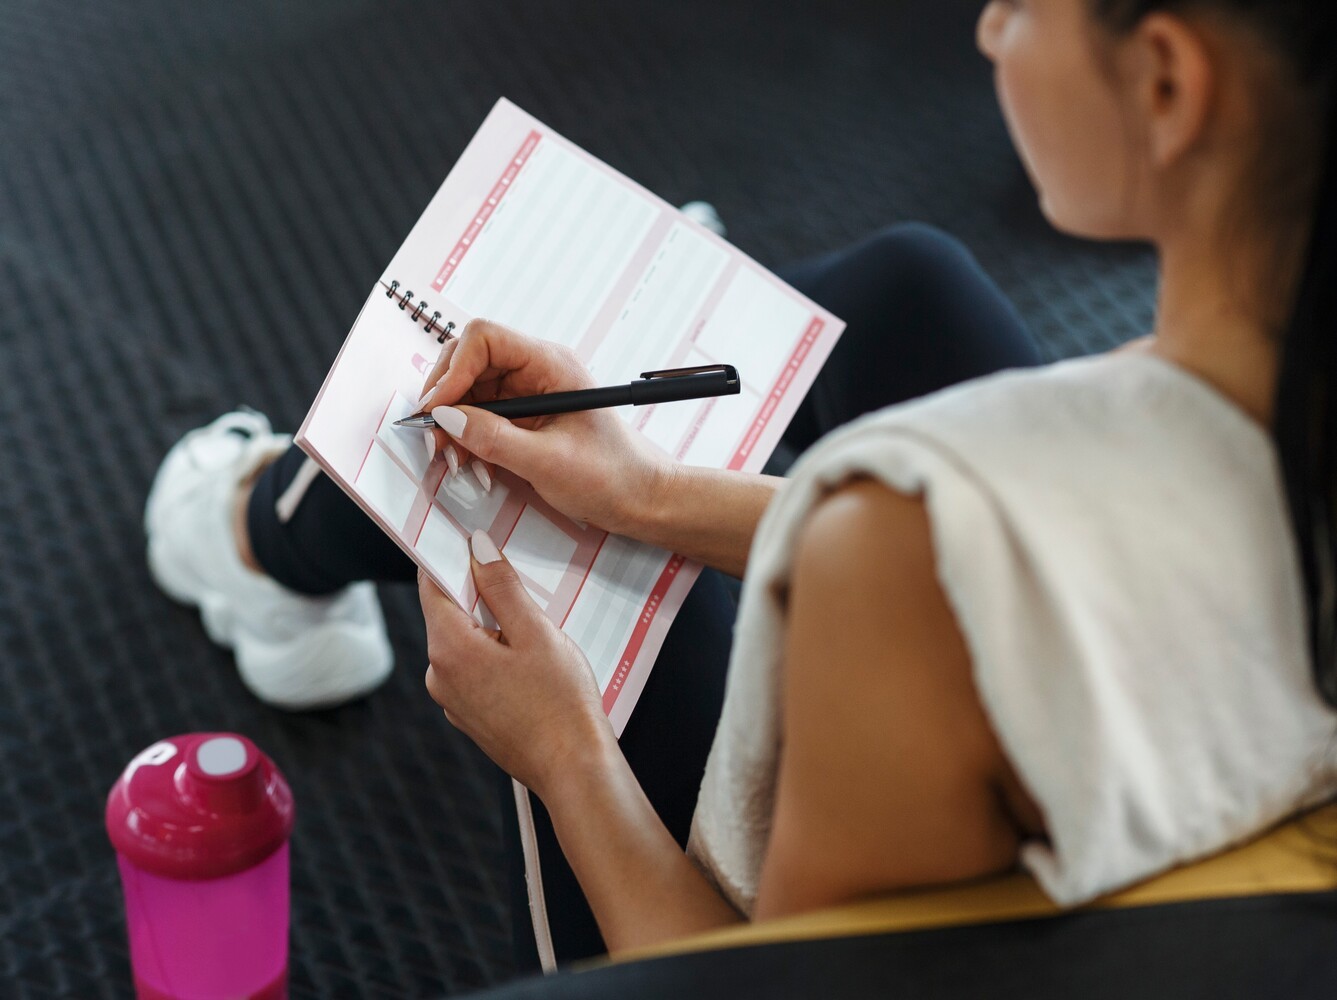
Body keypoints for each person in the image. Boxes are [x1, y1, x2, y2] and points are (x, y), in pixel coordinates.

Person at [145, 0, 1335, 969]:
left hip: (690, 949)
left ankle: (263, 531)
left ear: (1168, 84)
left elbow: (750, 984)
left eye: (1021, 4)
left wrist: (562, 753)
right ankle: (280, 535)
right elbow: (1064, 551)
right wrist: (649, 490)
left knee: (556, 566)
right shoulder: (1230, 413)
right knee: (910, 288)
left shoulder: (904, 536)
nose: (983, 29)